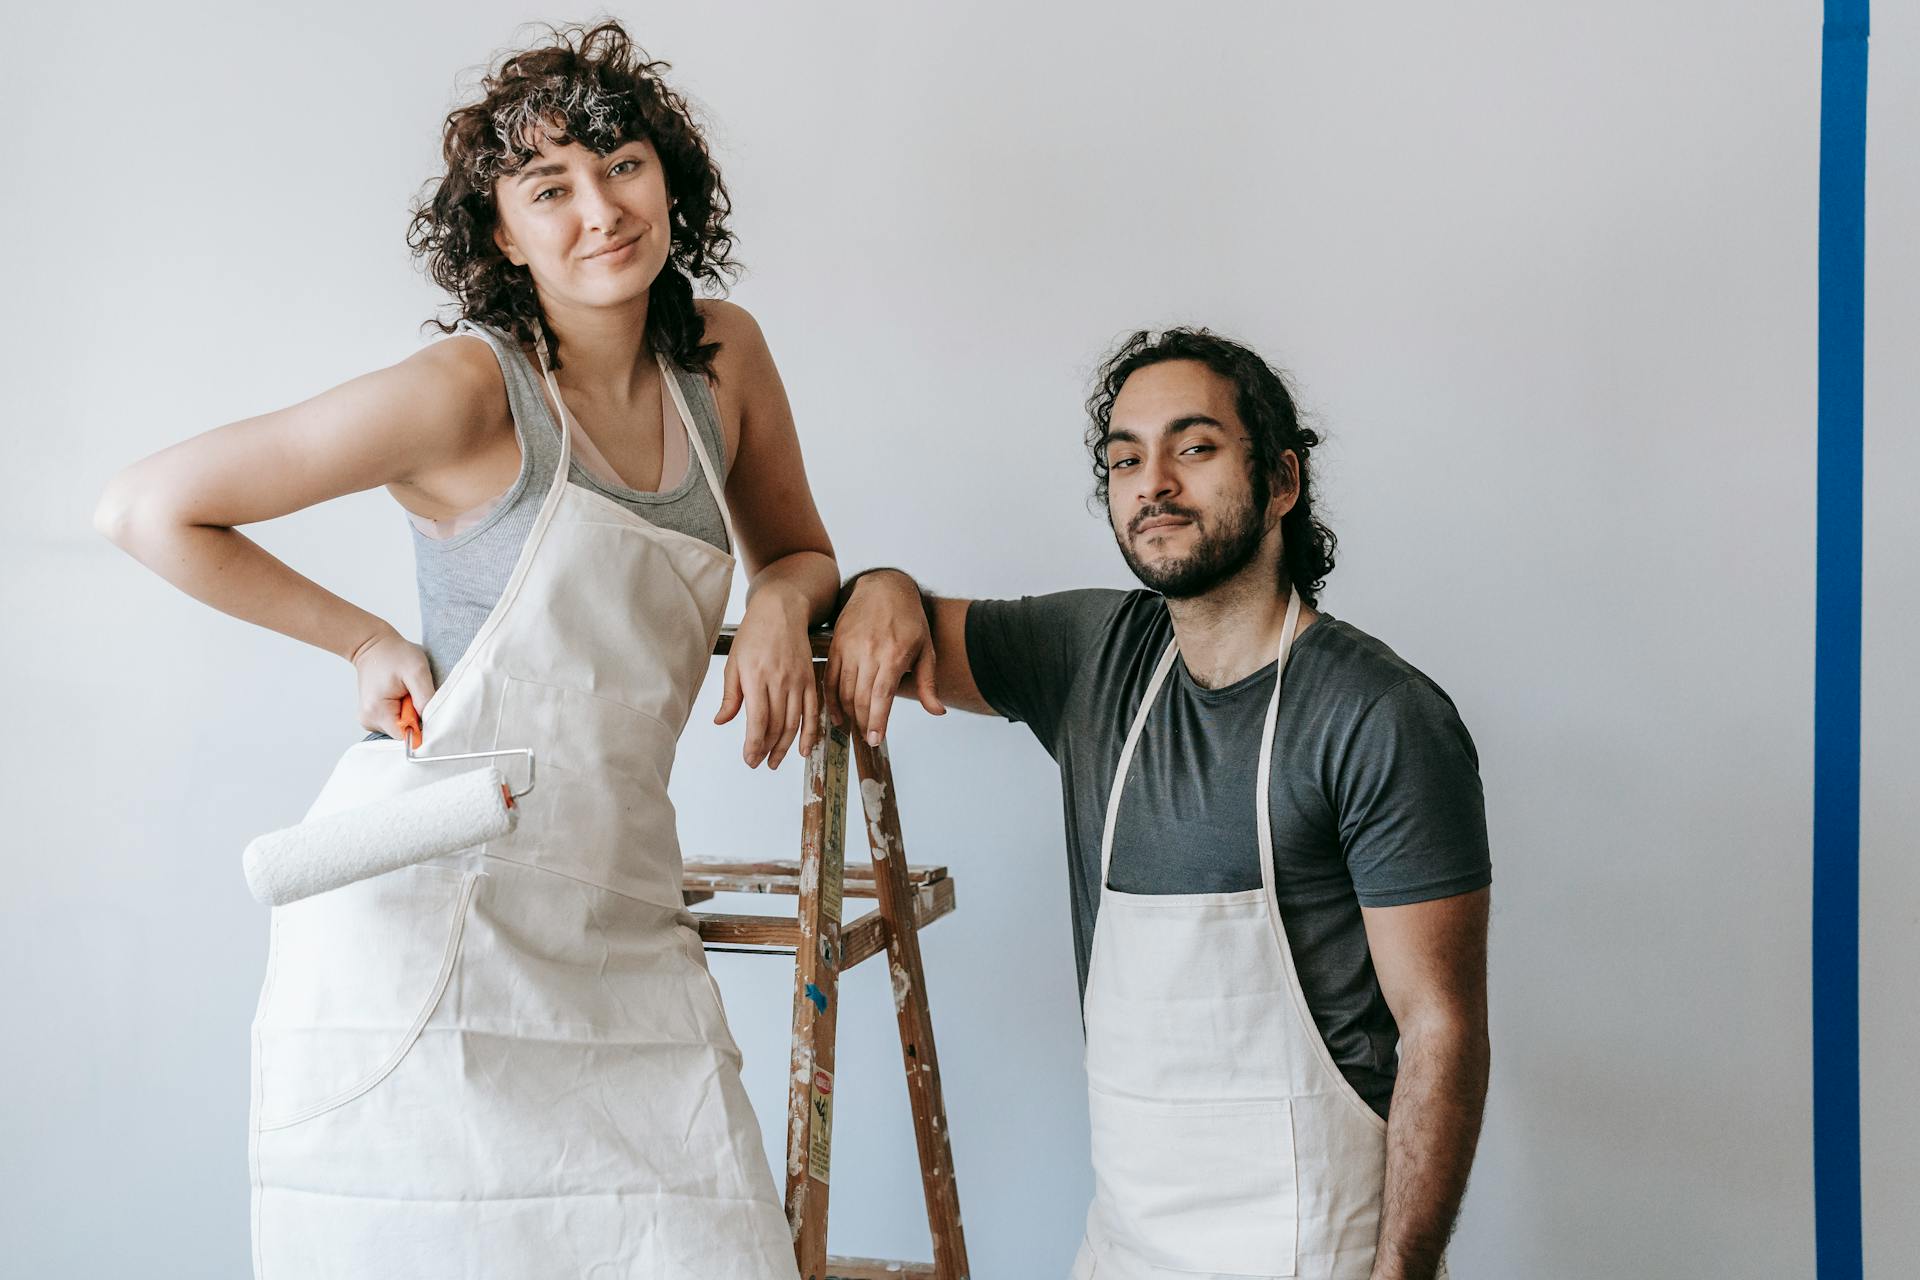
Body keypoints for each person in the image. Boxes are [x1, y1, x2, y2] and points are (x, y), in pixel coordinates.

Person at [92, 22, 883, 1279]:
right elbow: (146, 508)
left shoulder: (720, 360)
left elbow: (796, 548)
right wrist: (360, 636)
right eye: (548, 187)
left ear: (669, 177)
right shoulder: (469, 389)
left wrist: (786, 601)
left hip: (619, 902)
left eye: (621, 163)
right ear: (504, 235)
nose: (599, 210)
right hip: (435, 925)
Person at [827, 328, 1491, 1279]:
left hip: (1311, 1247)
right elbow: (907, 623)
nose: (1154, 483)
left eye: (1195, 447)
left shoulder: (1377, 716)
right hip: (1126, 1247)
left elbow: (1442, 1030)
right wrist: (880, 584)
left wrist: (1403, 1274)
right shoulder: (1093, 656)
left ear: (1282, 482)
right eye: (1125, 458)